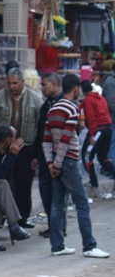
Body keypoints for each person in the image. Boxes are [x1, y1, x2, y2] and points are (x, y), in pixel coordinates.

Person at [43, 74, 110, 258]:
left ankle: (57, 245)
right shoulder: (72, 109)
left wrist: (51, 163)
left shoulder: (53, 109)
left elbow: (46, 140)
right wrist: (56, 164)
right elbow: (65, 139)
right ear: (76, 88)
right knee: (81, 204)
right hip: (68, 161)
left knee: (57, 204)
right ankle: (89, 245)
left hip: (57, 160)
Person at [0, 67, 42, 229]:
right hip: (3, 149)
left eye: (15, 83)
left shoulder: (35, 98)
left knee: (24, 184)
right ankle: (3, 218)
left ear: (22, 82)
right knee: (6, 183)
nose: (12, 86)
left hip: (27, 148)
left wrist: (38, 153)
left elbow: (41, 125)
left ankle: (22, 218)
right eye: (9, 83)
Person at [36, 73, 64, 239]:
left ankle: (59, 227)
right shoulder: (46, 106)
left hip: (59, 156)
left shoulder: (63, 105)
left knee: (58, 192)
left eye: (44, 85)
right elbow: (40, 132)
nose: (42, 88)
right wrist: (36, 156)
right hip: (44, 156)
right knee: (45, 191)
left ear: (54, 84)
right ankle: (53, 225)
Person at [79, 79, 115, 192]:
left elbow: (91, 117)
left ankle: (93, 182)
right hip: (107, 128)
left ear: (82, 90)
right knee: (103, 156)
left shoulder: (89, 100)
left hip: (98, 130)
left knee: (86, 155)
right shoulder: (101, 98)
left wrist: (92, 135)